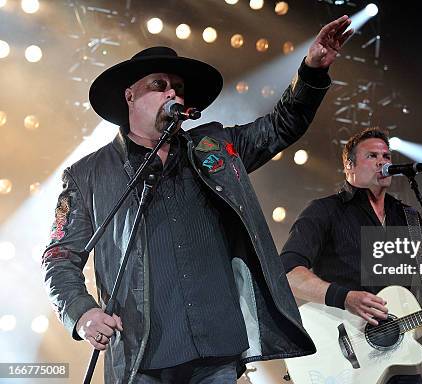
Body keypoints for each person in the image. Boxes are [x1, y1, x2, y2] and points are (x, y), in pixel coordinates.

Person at [41, 15, 353, 384]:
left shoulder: (214, 149)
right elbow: (59, 256)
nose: (173, 93)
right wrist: (82, 312)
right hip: (142, 356)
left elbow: (281, 125)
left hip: (217, 350)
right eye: (160, 85)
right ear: (130, 95)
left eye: (178, 87)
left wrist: (312, 72)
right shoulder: (88, 174)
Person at [280, 127, 422, 384]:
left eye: (387, 156)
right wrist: (345, 297)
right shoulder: (325, 211)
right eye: (372, 156)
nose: (382, 161)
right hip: (343, 359)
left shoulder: (407, 217)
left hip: (398, 354)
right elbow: (288, 272)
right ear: (350, 165)